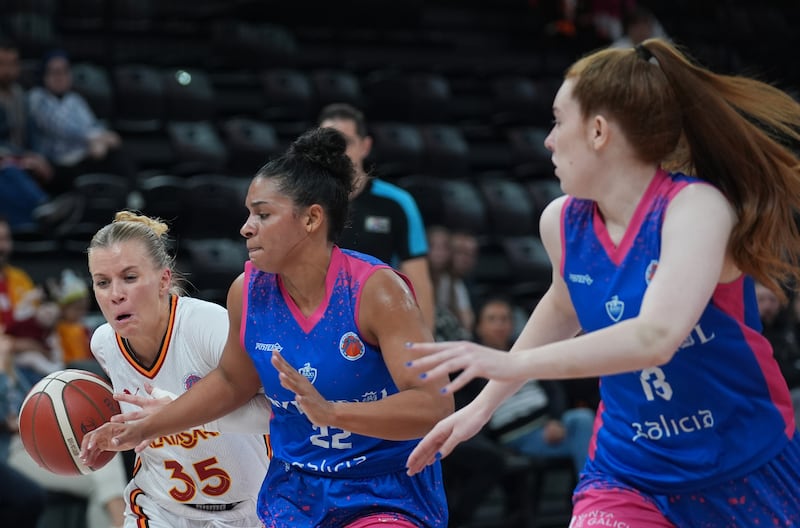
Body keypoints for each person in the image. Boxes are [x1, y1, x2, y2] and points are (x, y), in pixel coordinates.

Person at [405, 37, 800, 527]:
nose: (548, 139)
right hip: (627, 473)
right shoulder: (561, 222)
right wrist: (482, 406)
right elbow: (562, 308)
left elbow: (655, 337)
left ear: (597, 131)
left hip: (742, 468)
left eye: (557, 119)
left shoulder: (695, 209)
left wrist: (510, 359)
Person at [80, 127, 453, 528]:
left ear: (311, 219)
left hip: (381, 488)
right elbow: (229, 382)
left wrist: (334, 413)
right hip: (295, 491)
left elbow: (434, 405)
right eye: (247, 214)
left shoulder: (376, 291)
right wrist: (144, 428)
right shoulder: (246, 291)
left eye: (262, 214)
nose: (246, 227)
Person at [79, 210, 272, 527]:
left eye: (129, 278)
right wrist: (120, 435)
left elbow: (281, 411)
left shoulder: (208, 327)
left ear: (164, 279)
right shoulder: (103, 344)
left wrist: (179, 414)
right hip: (161, 509)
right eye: (102, 282)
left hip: (249, 509)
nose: (115, 294)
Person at [318, 103, 436, 331]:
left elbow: (419, 284)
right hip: (318, 323)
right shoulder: (304, 202)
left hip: (378, 322)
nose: (336, 152)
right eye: (328, 144)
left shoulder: (396, 203)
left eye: (345, 142)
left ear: (365, 146)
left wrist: (427, 352)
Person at [475, 296, 594, 478]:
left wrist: (555, 420)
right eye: (492, 319)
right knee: (586, 442)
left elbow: (553, 390)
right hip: (516, 435)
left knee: (583, 419)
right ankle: (590, 491)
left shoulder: (522, 353)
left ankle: (590, 487)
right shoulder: (472, 363)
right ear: (479, 327)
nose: (499, 325)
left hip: (546, 424)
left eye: (505, 319)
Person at [27, 49, 136, 195]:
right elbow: (60, 127)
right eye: (55, 72)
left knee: (119, 153)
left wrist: (104, 137)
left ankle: (134, 197)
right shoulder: (37, 98)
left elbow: (92, 124)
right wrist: (95, 139)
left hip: (83, 155)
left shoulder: (74, 99)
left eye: (64, 71)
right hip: (56, 162)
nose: (60, 77)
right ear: (44, 75)